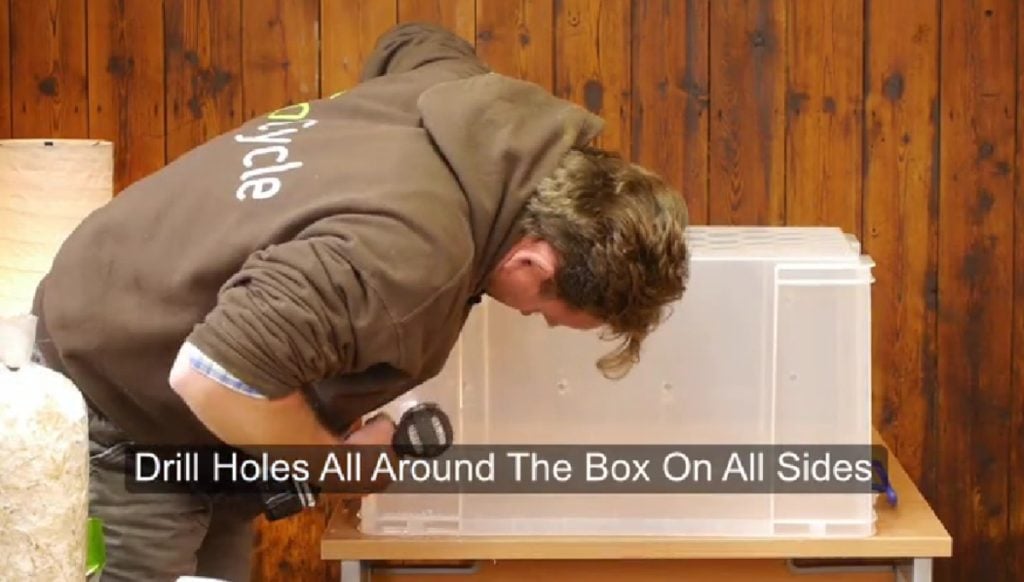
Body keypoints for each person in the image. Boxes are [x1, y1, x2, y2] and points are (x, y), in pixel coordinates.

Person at [30, 22, 689, 582]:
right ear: (532, 262)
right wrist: (335, 463)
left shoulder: (476, 113)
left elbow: (416, 39)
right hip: (115, 403)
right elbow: (214, 373)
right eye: (548, 312)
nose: (534, 318)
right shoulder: (409, 258)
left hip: (178, 385)